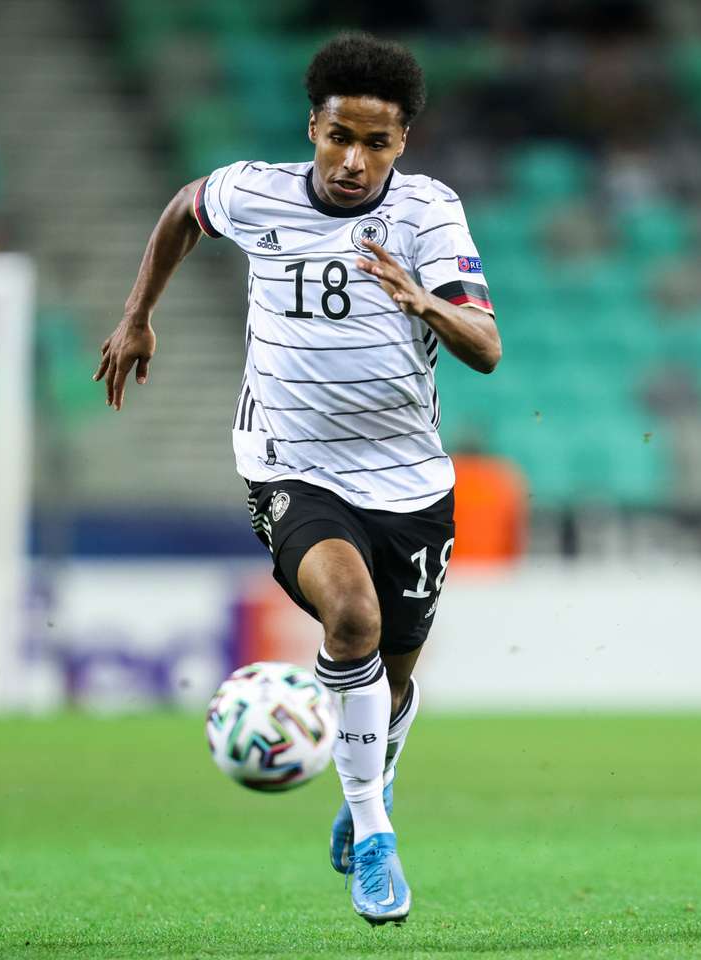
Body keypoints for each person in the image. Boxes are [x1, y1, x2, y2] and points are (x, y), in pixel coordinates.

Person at [93, 31, 501, 926]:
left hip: (407, 482)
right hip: (290, 463)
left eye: (377, 143)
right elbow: (183, 210)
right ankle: (376, 833)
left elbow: (486, 350)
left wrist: (421, 298)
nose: (354, 161)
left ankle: (374, 763)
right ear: (311, 126)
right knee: (350, 616)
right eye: (338, 137)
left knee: (392, 676)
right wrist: (138, 317)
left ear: (404, 145)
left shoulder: (429, 216)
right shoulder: (254, 191)